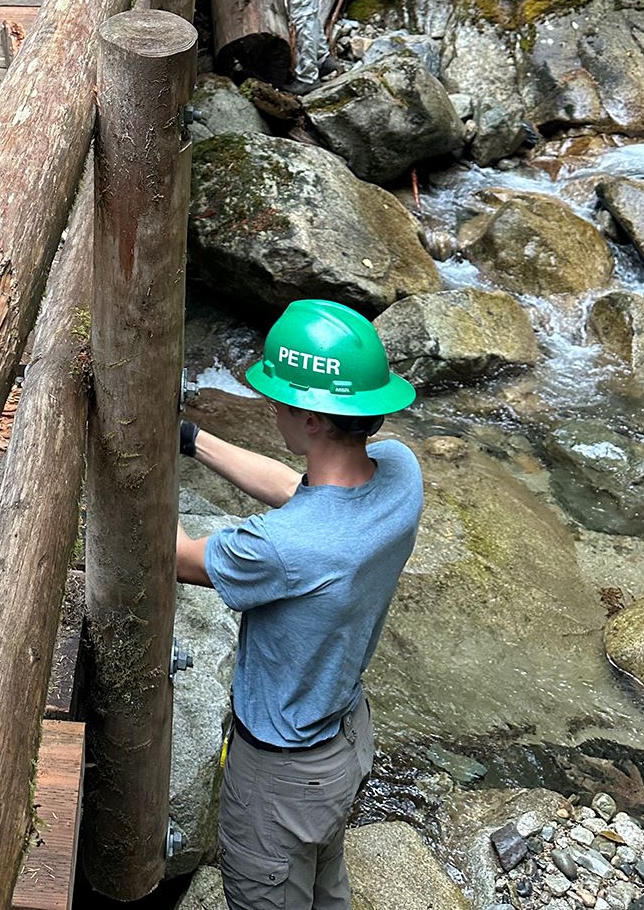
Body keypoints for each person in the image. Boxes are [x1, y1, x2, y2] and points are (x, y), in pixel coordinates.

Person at [174, 299, 421, 910]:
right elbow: (298, 490)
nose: (269, 405)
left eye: (278, 398)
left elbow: (175, 555)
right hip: (341, 742)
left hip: (279, 778)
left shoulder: (282, 549)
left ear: (310, 417)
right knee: (324, 886)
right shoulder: (399, 472)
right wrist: (192, 439)